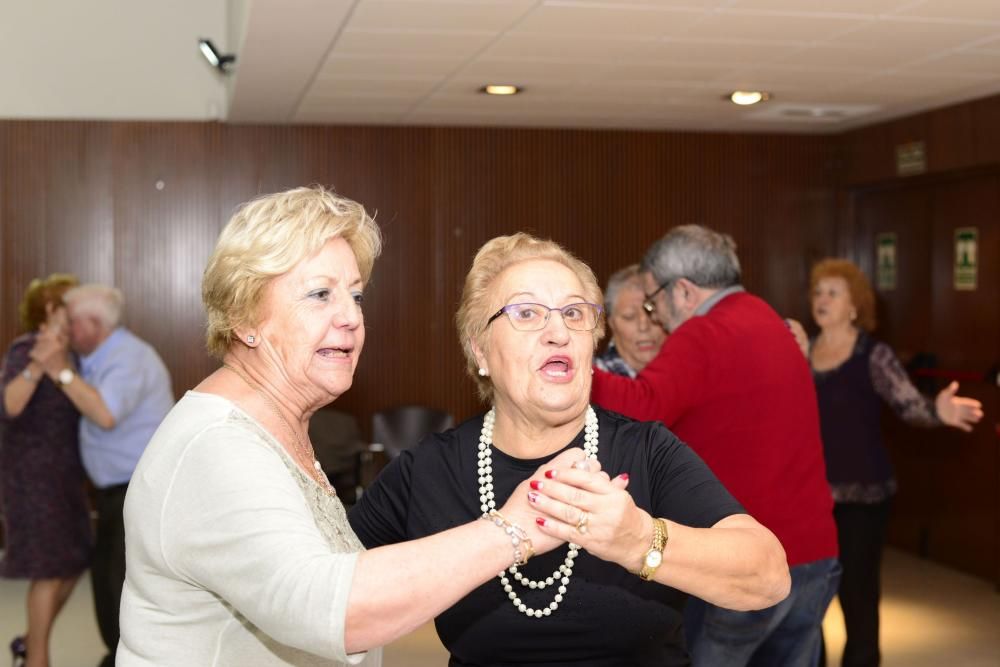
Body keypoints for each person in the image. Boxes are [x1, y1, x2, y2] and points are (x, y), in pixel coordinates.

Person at [117, 187, 584, 666]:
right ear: (243, 316)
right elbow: (333, 611)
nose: (351, 318)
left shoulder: (277, 430)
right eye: (320, 294)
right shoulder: (217, 447)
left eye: (355, 295)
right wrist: (513, 529)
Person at [349, 232, 790, 666]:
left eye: (575, 313)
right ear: (479, 349)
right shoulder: (429, 469)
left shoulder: (648, 450)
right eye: (526, 313)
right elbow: (333, 597)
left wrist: (639, 540)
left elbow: (768, 577)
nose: (558, 331)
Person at [590, 225, 839, 667]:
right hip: (815, 553)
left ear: (682, 291)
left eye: (654, 300)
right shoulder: (768, 318)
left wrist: (566, 368)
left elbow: (642, 406)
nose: (657, 317)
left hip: (749, 560)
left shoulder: (703, 334)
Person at [807, 258, 983, 667]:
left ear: (855, 305)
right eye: (818, 292)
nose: (822, 300)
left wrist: (938, 411)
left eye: (833, 292)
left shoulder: (873, 354)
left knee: (858, 596)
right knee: (807, 593)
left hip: (863, 496)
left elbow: (909, 405)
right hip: (811, 496)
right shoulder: (803, 351)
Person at [57, 284, 174, 667]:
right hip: (115, 489)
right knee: (108, 579)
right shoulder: (101, 355)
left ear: (94, 323)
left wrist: (60, 372)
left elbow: (105, 414)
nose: (66, 329)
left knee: (118, 581)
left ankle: (125, 657)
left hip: (136, 488)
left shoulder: (126, 356)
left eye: (72, 321)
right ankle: (117, 654)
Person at [1, 274, 92, 667]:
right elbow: (10, 405)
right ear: (51, 310)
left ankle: (29, 640)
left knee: (73, 562)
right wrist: (38, 367)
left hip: (67, 474)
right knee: (49, 568)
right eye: (67, 306)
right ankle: (37, 659)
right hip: (32, 478)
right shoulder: (26, 350)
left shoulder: (75, 355)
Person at [594, 264, 666, 378]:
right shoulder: (592, 381)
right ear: (611, 323)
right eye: (629, 316)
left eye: (652, 312)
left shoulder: (692, 373)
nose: (643, 326)